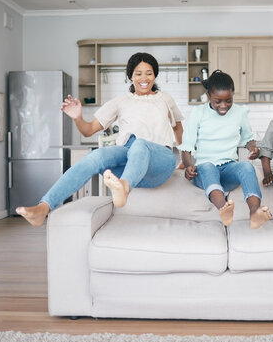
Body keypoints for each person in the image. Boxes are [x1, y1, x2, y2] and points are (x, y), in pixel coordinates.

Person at [17, 52, 184, 226]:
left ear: (155, 75)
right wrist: (77, 118)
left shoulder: (165, 99)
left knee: (140, 144)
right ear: (130, 76)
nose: (144, 78)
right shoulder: (120, 102)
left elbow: (178, 128)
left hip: (160, 160)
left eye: (149, 73)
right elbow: (88, 130)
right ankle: (44, 207)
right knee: (97, 156)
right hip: (130, 156)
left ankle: (123, 188)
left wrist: (185, 160)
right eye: (138, 73)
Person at [179, 70, 271, 229]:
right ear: (208, 96)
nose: (224, 106)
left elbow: (248, 137)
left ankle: (255, 211)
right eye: (218, 101)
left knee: (246, 166)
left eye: (228, 100)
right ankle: (223, 208)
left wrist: (253, 148)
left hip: (228, 169)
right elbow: (186, 147)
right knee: (208, 167)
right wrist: (188, 166)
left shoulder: (239, 112)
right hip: (204, 170)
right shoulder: (198, 112)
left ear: (233, 95)